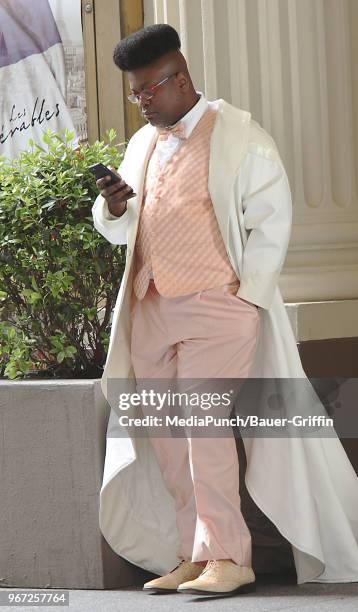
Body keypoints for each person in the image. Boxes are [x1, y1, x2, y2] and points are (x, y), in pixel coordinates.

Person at [92, 24, 358, 596]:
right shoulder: (142, 145)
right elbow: (123, 231)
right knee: (164, 435)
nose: (141, 103)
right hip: (151, 305)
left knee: (204, 430)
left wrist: (246, 297)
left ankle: (230, 558)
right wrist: (112, 208)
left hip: (218, 305)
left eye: (149, 91)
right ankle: (192, 553)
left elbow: (272, 218)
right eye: (134, 94)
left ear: (180, 78)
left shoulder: (239, 133)